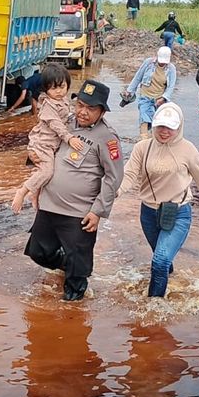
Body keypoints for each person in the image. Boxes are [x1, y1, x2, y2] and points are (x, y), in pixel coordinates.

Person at [116, 103, 199, 298]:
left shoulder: (187, 150)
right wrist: (114, 193)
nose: (165, 132)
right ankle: (168, 279)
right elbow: (129, 175)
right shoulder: (142, 148)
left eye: (170, 127)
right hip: (148, 213)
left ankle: (154, 307)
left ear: (179, 126)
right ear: (154, 124)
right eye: (161, 126)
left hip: (178, 213)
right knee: (162, 259)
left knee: (160, 260)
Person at [23, 79, 124, 301]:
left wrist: (98, 211)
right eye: (80, 105)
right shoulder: (65, 123)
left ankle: (73, 314)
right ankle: (66, 265)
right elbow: (42, 143)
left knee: (76, 280)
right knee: (38, 252)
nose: (83, 112)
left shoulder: (107, 138)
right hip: (49, 205)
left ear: (102, 112)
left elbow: (113, 177)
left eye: (91, 108)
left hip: (80, 212)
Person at [12, 64, 83, 214]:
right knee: (47, 172)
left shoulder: (63, 101)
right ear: (45, 89)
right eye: (53, 88)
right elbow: (56, 124)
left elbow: (68, 117)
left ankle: (35, 197)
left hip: (50, 146)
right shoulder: (48, 105)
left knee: (44, 174)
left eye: (62, 86)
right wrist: (69, 138)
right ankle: (22, 191)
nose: (58, 91)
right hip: (41, 146)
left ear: (67, 85)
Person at [124, 46, 176, 141]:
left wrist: (163, 98)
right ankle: (143, 142)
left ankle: (153, 142)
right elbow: (138, 77)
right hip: (145, 97)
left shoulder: (171, 69)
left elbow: (171, 87)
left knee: (156, 123)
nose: (162, 63)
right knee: (144, 120)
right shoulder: (148, 63)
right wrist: (130, 91)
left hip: (159, 100)